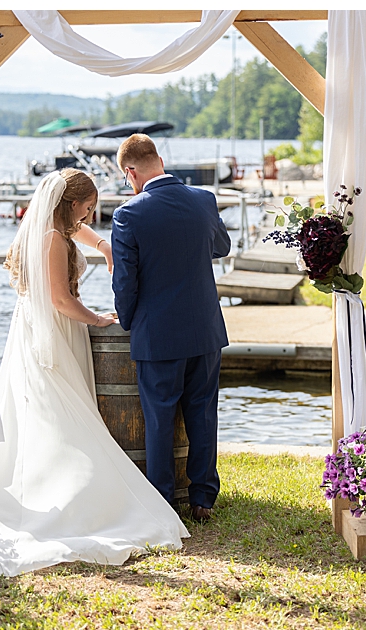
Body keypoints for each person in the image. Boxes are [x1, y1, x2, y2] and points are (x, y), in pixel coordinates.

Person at [0, 169, 188, 579]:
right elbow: (59, 299)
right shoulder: (53, 239)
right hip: (56, 328)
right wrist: (97, 320)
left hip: (38, 328)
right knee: (60, 413)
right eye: (88, 207)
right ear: (71, 204)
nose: (90, 215)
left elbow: (80, 235)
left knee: (40, 412)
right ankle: (67, 496)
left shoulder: (53, 228)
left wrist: (106, 247)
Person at [111, 134, 232, 522]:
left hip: (158, 333)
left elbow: (124, 283)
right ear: (159, 160)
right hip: (205, 329)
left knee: (160, 420)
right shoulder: (204, 200)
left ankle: (162, 501)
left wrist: (129, 322)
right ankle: (203, 499)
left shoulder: (128, 214)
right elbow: (222, 247)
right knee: (203, 413)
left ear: (131, 172)